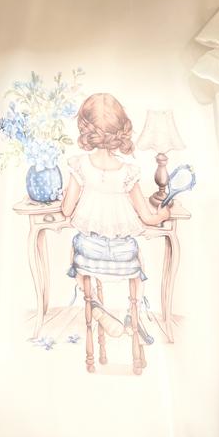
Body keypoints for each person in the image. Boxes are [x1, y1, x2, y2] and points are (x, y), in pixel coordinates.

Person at [61, 92, 170, 355]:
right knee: (138, 262)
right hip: (123, 257)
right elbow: (147, 217)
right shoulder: (128, 172)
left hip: (90, 254)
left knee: (76, 248)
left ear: (86, 129)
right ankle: (135, 310)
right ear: (120, 129)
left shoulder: (79, 165)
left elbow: (66, 210)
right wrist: (163, 214)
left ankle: (93, 304)